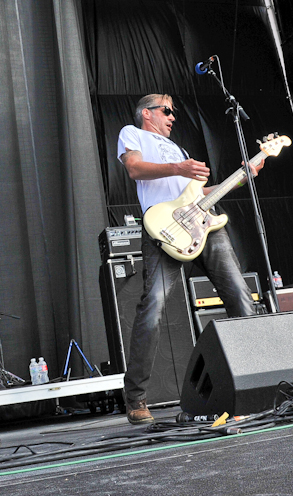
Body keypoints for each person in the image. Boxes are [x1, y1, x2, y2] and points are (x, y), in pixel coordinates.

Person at [117, 94, 262, 424]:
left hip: (204, 226)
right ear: (146, 114)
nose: (172, 117)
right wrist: (179, 167)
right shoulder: (132, 133)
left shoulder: (179, 150)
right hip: (163, 229)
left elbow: (201, 195)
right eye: (167, 111)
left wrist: (242, 175)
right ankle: (136, 397)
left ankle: (248, 385)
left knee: (240, 296)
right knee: (152, 306)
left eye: (174, 112)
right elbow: (135, 169)